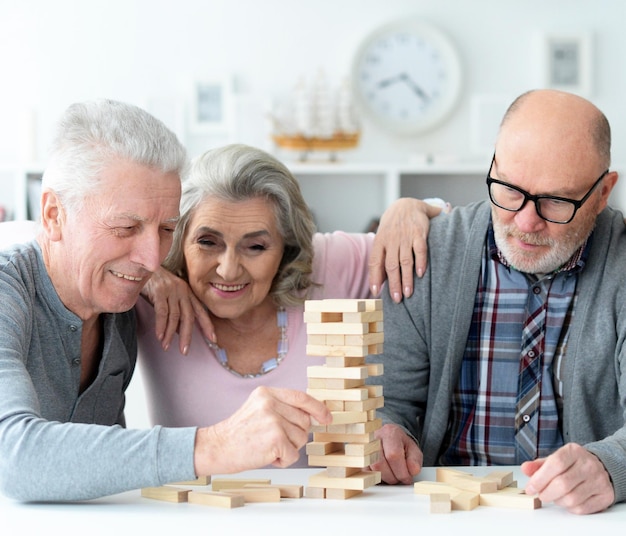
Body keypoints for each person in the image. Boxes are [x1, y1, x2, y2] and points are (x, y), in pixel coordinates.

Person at [0, 99, 333, 502]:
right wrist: (215, 445)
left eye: (166, 229)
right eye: (126, 227)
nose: (151, 259)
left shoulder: (117, 303)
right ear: (54, 215)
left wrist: (422, 208)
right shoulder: (10, 293)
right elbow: (13, 460)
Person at [368, 89, 626, 515]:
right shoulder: (427, 251)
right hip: (443, 514)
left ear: (603, 193)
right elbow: (390, 397)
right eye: (508, 190)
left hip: (577, 519)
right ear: (493, 166)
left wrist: (610, 464)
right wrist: (388, 431)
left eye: (556, 201)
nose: (526, 222)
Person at [134, 143, 442, 467]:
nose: (228, 269)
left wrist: (410, 208)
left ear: (287, 248)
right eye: (207, 242)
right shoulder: (152, 298)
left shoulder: (328, 265)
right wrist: (148, 275)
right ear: (178, 238)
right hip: (193, 513)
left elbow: (450, 230)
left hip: (322, 512)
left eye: (255, 246)